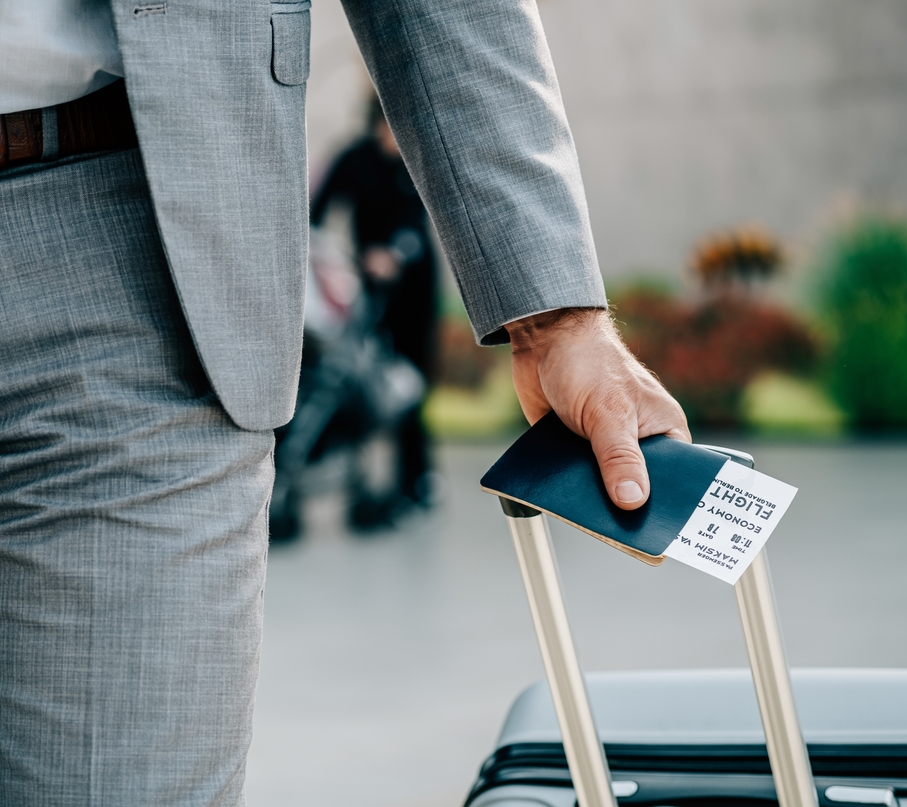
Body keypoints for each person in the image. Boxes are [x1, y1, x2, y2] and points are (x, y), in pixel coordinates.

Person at [0, 2, 690, 805]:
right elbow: (329, 203)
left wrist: (555, 313)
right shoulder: (360, 166)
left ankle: (406, 486)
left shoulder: (384, 175)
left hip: (139, 245)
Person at [311, 95, 439, 527]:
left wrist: (394, 256)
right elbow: (317, 214)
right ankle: (361, 483)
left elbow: (419, 225)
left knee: (410, 385)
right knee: (360, 383)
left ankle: (416, 483)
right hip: (366, 298)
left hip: (413, 292)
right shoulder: (354, 160)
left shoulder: (415, 162)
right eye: (388, 128)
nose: (395, 139)